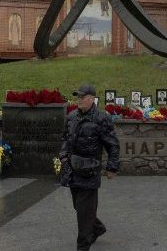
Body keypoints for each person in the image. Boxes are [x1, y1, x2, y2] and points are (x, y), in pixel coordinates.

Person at [60, 85, 120, 251]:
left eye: (82, 97)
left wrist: (112, 167)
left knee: (84, 212)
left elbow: (113, 144)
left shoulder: (102, 118)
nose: (78, 100)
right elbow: (65, 138)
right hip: (72, 169)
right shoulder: (71, 116)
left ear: (92, 99)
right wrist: (63, 156)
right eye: (77, 97)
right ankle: (98, 228)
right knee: (80, 207)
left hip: (89, 171)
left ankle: (83, 246)